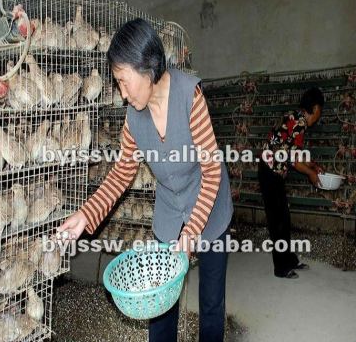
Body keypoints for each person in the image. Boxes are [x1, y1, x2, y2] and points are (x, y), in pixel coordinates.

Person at [57, 18, 234, 342]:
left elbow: (211, 173)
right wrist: (86, 215)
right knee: (160, 298)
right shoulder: (133, 118)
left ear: (148, 67)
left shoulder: (189, 97)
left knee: (211, 302)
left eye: (124, 81)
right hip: (170, 208)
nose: (122, 94)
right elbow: (122, 173)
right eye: (117, 83)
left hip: (209, 205)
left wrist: (192, 233)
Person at [258, 87, 325, 279]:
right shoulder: (297, 123)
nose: (318, 117)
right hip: (269, 172)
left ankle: (289, 260)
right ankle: (281, 268)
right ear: (313, 107)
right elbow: (294, 161)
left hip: (274, 172)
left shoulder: (296, 119)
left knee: (284, 220)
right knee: (277, 221)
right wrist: (311, 174)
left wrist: (313, 166)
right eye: (319, 111)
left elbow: (295, 155)